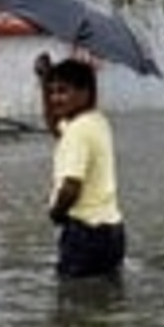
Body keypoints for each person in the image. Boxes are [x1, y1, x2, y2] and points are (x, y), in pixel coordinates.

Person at [44, 58, 125, 279]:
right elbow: (55, 127)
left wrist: (56, 213)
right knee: (105, 302)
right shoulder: (97, 121)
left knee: (70, 303)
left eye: (63, 91)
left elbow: (71, 187)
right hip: (112, 231)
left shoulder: (77, 131)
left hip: (84, 233)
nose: (55, 98)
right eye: (52, 92)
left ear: (84, 92)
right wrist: (45, 79)